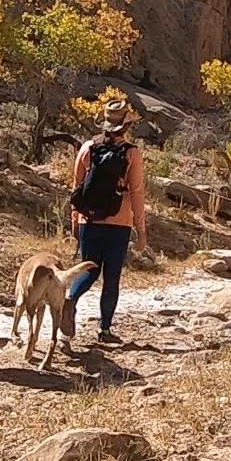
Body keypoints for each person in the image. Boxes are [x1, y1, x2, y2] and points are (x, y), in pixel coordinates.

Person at [66, 97, 148, 345]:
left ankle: (70, 300)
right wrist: (141, 231)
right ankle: (104, 330)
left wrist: (75, 219)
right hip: (118, 223)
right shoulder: (131, 153)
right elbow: (137, 192)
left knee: (89, 269)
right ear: (126, 126)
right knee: (111, 278)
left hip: (88, 219)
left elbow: (76, 187)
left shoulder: (87, 148)